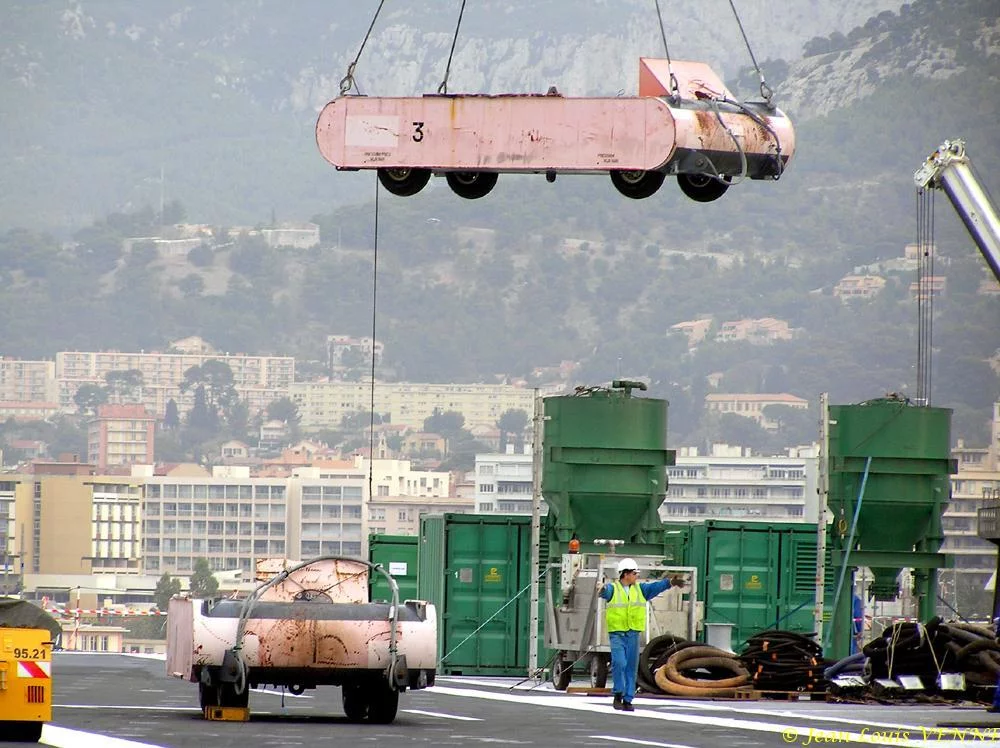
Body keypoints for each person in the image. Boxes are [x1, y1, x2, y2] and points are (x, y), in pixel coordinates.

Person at [598, 557, 686, 712]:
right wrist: (602, 590)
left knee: (631, 667)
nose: (636, 575)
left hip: (633, 633)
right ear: (625, 574)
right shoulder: (613, 589)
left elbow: (655, 587)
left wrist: (670, 583)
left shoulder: (641, 590)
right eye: (634, 573)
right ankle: (618, 693)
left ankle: (628, 699)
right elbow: (605, 593)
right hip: (617, 633)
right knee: (619, 663)